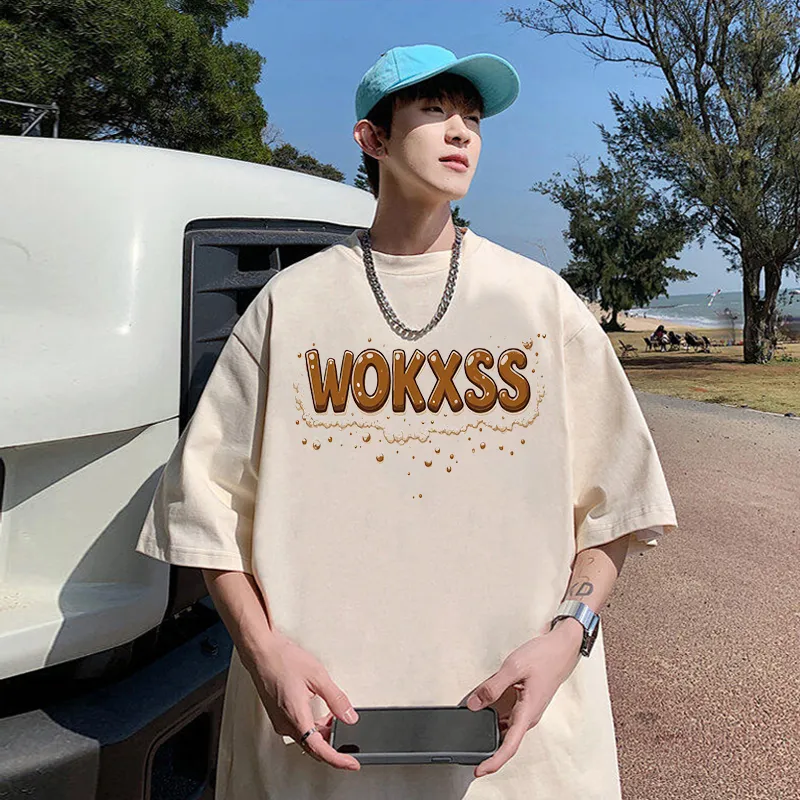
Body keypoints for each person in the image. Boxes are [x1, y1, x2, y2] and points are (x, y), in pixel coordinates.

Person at [136, 44, 678, 800]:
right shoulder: (290, 307)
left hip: (515, 738)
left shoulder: (540, 303)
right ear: (373, 139)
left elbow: (616, 503)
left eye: (473, 118)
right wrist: (263, 655)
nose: (461, 131)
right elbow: (206, 513)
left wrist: (568, 637)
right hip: (320, 734)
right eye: (433, 110)